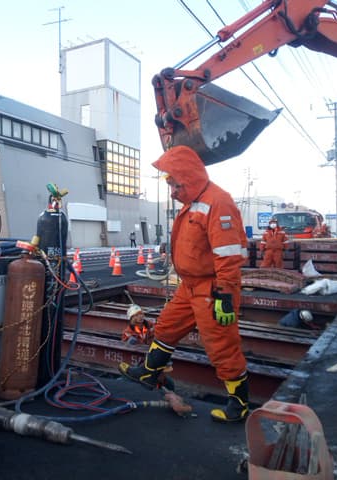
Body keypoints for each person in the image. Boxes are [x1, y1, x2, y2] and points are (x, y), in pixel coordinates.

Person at [118, 145, 250, 423]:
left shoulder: (218, 202)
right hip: (190, 286)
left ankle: (238, 405)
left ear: (187, 178)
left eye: (173, 184)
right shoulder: (193, 202)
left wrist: (225, 295)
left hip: (212, 288)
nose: (171, 191)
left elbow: (228, 254)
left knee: (221, 345)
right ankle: (148, 372)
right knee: (167, 327)